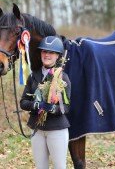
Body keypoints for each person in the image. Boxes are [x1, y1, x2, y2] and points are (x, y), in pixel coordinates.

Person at [20, 35, 71, 169]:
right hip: (38, 129)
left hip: (57, 129)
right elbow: (23, 102)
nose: (47, 54)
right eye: (44, 51)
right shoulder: (33, 76)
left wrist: (53, 109)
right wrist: (37, 105)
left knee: (59, 167)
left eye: (51, 52)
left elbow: (66, 107)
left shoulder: (62, 77)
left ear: (58, 56)